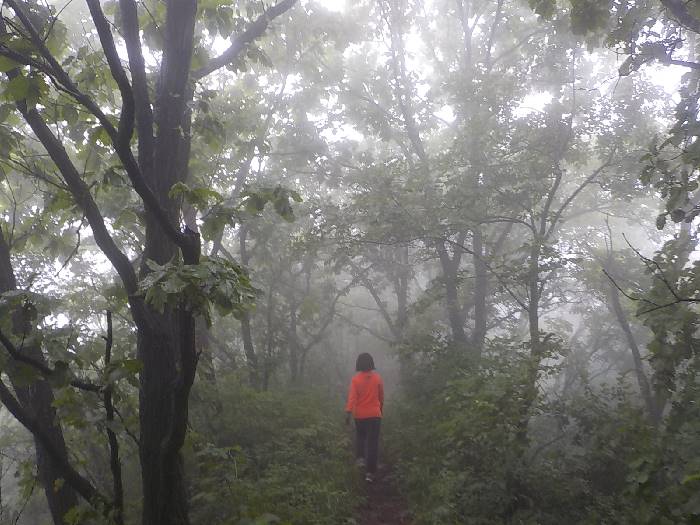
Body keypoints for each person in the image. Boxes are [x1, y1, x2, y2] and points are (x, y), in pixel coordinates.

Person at [345, 352, 384, 482]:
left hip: (360, 415)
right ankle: (370, 473)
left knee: (360, 437)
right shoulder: (377, 378)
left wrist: (348, 412)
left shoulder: (355, 379)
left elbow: (352, 398)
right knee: (372, 444)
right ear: (371, 363)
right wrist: (380, 410)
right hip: (374, 415)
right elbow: (381, 397)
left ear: (358, 364)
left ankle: (360, 459)